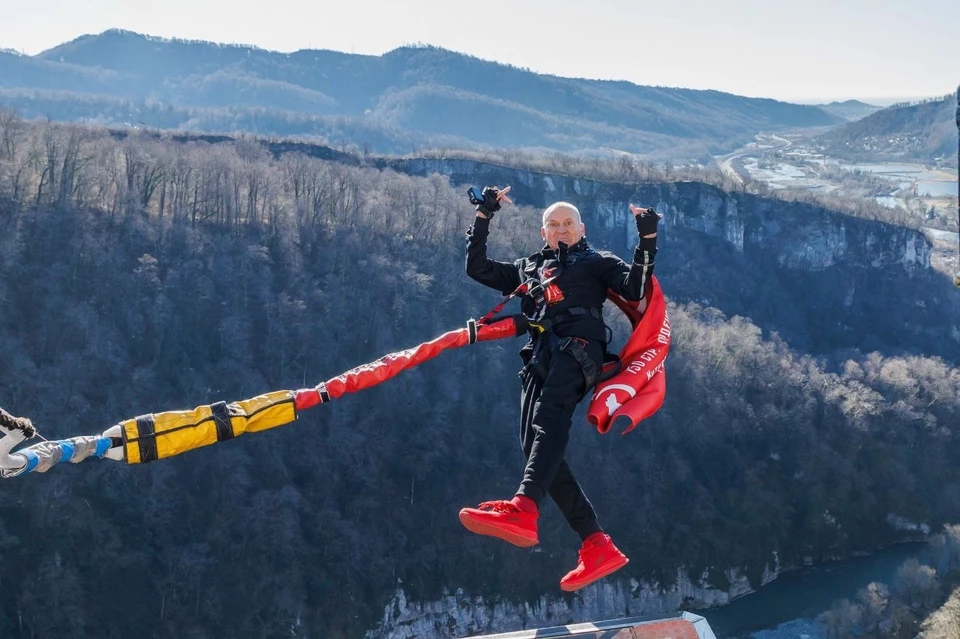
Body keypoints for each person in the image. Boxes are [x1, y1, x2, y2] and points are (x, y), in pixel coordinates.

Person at [460, 185, 660, 591]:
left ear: (582, 228)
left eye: (568, 223)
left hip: (579, 349)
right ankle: (595, 542)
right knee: (534, 445)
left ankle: (523, 507)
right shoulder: (530, 267)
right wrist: (484, 216)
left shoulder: (597, 261)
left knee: (550, 420)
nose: (562, 229)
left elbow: (635, 288)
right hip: (539, 357)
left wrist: (647, 239)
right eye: (554, 224)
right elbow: (478, 269)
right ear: (543, 232)